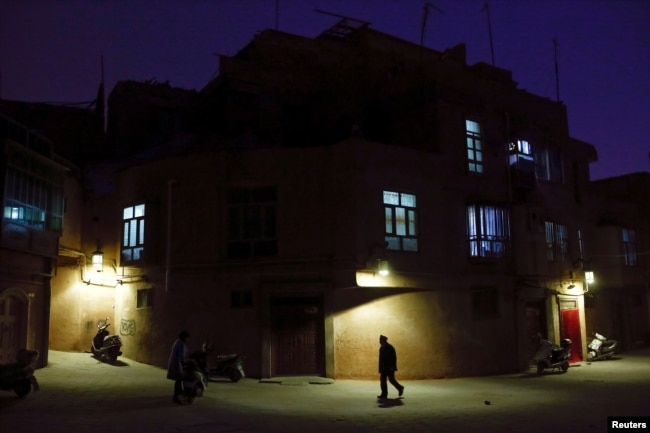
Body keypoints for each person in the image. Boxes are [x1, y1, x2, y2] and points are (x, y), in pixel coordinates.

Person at [377, 334, 404, 399]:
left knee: (391, 379)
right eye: (380, 340)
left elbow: (393, 358)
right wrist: (380, 368)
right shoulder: (381, 348)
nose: (380, 342)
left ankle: (399, 388)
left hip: (389, 367)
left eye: (381, 340)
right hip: (384, 368)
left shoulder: (390, 348)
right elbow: (380, 359)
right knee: (383, 380)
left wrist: (392, 367)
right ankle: (384, 394)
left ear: (384, 341)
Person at [167, 330, 189, 404]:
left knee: (178, 381)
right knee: (179, 380)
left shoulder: (177, 342)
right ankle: (176, 396)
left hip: (175, 362)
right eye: (186, 338)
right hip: (177, 364)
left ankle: (177, 395)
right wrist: (184, 365)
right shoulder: (181, 344)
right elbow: (181, 356)